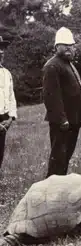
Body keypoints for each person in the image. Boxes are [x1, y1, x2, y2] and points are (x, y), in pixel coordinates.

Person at [42, 27, 81, 178]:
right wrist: (62, 120)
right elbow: (51, 97)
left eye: (71, 45)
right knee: (58, 160)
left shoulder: (68, 64)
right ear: (56, 47)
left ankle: (60, 189)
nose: (69, 48)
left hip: (73, 120)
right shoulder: (52, 66)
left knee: (65, 158)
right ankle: (49, 192)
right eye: (65, 45)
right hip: (63, 123)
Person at [0, 36, 17, 170]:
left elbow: (11, 96)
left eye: (2, 48)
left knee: (0, 152)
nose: (1, 52)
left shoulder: (6, 73)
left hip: (4, 119)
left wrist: (10, 118)